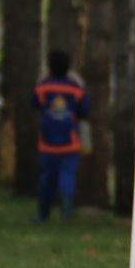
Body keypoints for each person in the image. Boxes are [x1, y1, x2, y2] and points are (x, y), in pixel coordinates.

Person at [31, 50, 89, 222]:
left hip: (47, 142)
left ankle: (43, 214)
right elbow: (84, 111)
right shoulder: (76, 89)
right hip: (70, 143)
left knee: (47, 178)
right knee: (68, 176)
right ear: (69, 67)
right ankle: (66, 212)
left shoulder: (43, 87)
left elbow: (34, 103)